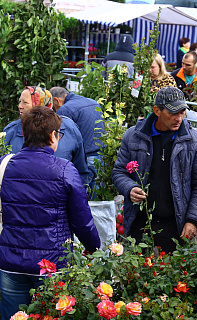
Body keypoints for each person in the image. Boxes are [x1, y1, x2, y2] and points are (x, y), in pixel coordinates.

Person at [0, 106, 100, 320]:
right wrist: (93, 247)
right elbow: (82, 219)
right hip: (52, 264)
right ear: (52, 135)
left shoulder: (5, 165)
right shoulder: (64, 169)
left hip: (11, 260)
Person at [112, 86, 197, 253]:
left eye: (182, 112)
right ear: (157, 110)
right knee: (134, 273)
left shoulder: (194, 141)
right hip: (140, 220)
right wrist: (130, 188)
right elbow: (119, 172)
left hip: (176, 223)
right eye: (173, 113)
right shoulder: (133, 136)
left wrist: (193, 220)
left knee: (174, 276)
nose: (178, 118)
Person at [4, 86, 89, 186]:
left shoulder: (69, 128)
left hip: (58, 194)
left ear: (40, 105)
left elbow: (80, 169)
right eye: (20, 101)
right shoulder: (12, 131)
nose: (19, 106)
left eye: (25, 102)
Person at [50, 87, 104, 191]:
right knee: (97, 198)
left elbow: (63, 140)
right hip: (101, 157)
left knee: (83, 196)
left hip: (85, 160)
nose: (54, 109)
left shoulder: (65, 110)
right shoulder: (93, 102)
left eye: (54, 106)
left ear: (56, 100)